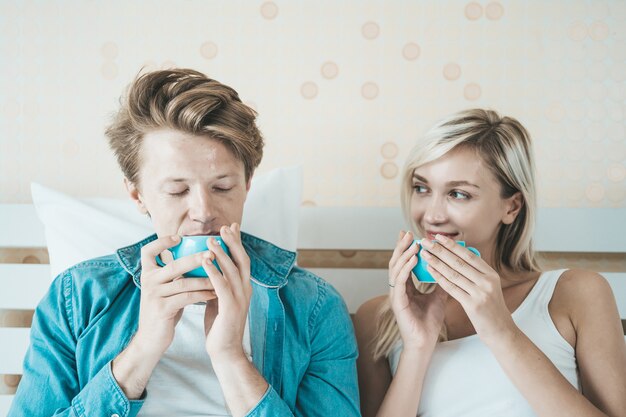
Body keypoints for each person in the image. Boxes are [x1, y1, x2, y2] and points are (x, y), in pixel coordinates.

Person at [10, 69, 360, 417]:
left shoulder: (314, 307)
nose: (204, 212)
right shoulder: (76, 298)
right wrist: (144, 347)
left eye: (222, 187)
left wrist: (230, 356)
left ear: (248, 184)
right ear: (138, 194)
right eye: (177, 190)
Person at [354, 109, 626, 417]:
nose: (431, 215)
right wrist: (417, 349)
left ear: (511, 207)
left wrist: (501, 331)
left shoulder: (576, 294)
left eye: (458, 194)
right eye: (421, 188)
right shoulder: (377, 318)